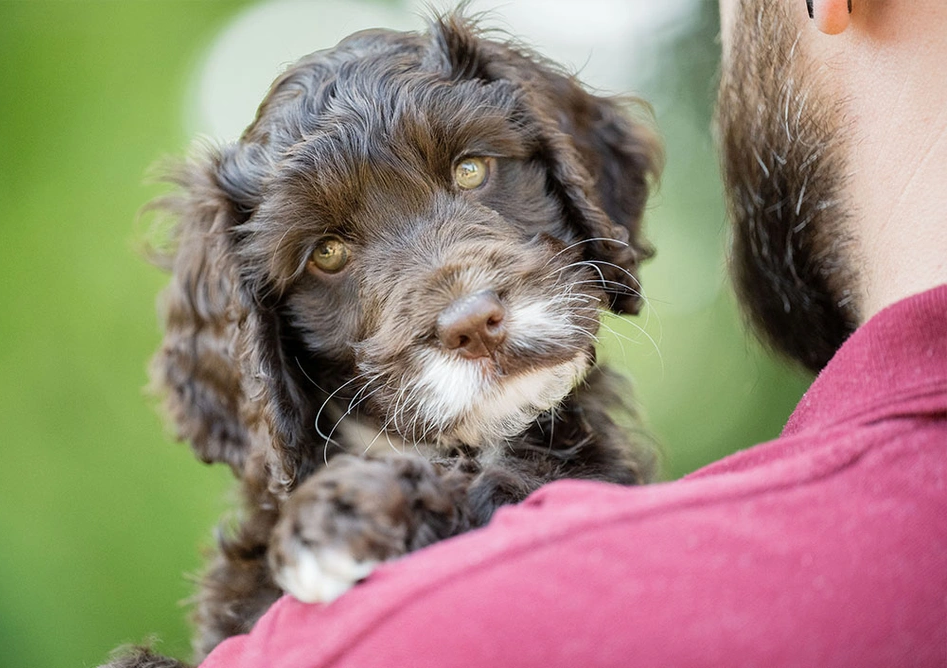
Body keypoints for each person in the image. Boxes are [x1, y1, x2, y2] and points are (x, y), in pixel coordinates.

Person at [200, 0, 947, 665]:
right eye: (328, 254)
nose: (464, 311)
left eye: (470, 170)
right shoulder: (281, 572)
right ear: (265, 338)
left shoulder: (608, 543)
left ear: (576, 180)